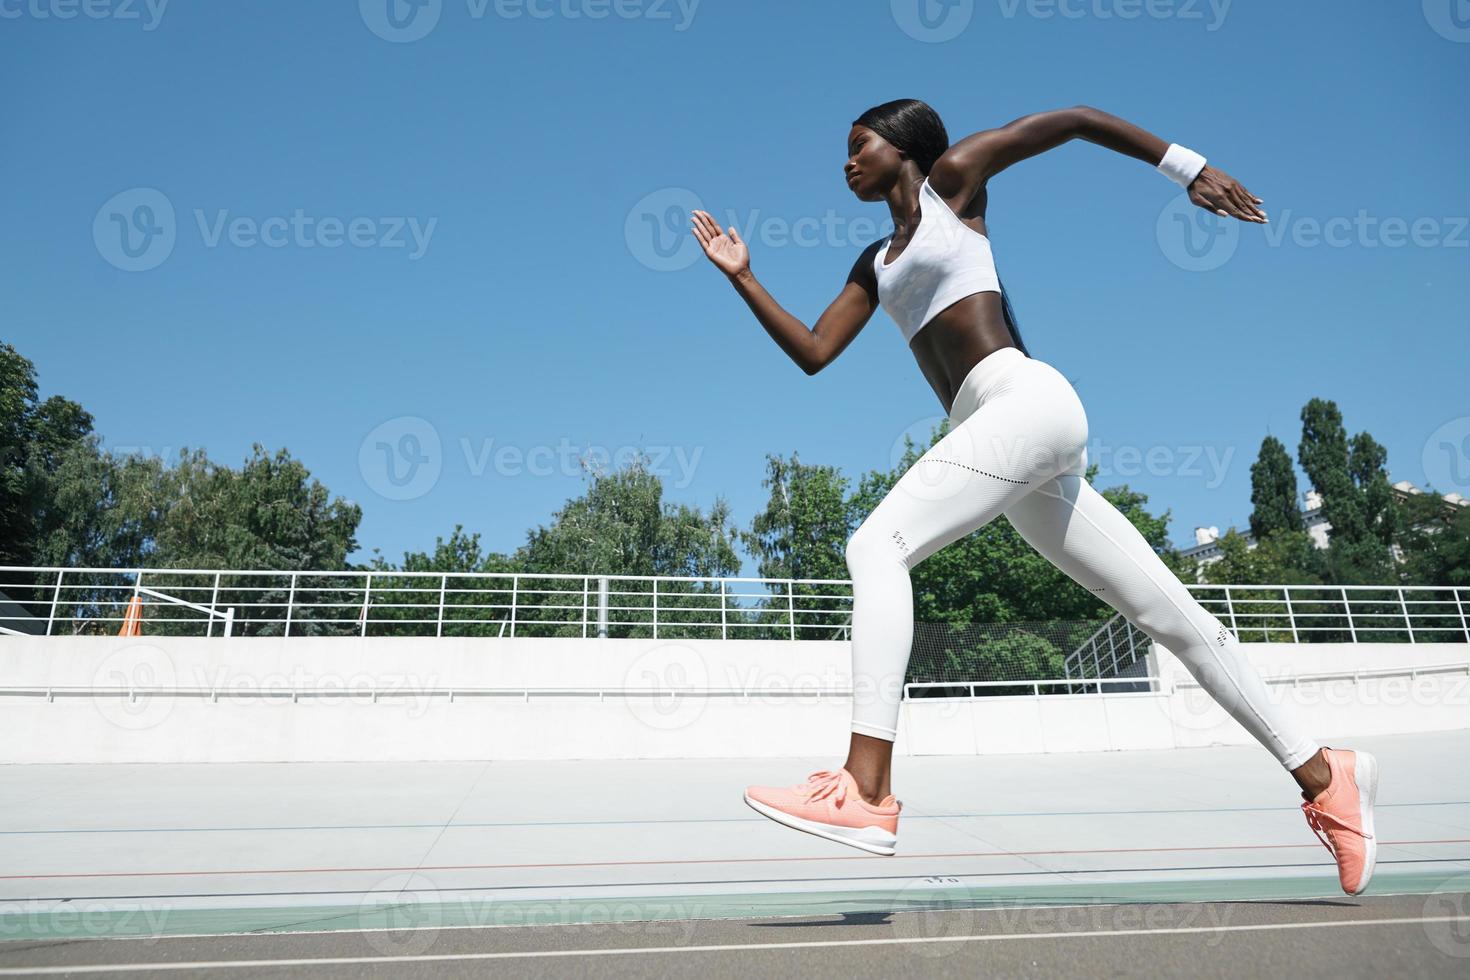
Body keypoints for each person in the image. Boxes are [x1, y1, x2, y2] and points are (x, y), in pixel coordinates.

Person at [689, 99, 1377, 896]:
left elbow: (1076, 121)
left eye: (858, 145)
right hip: (1002, 441)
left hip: (1027, 401)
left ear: (903, 147)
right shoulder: (872, 262)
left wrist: (1189, 170)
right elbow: (814, 352)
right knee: (1169, 616)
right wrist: (744, 279)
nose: (845, 162)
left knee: (875, 546)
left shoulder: (955, 184)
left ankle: (866, 787)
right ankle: (1328, 777)